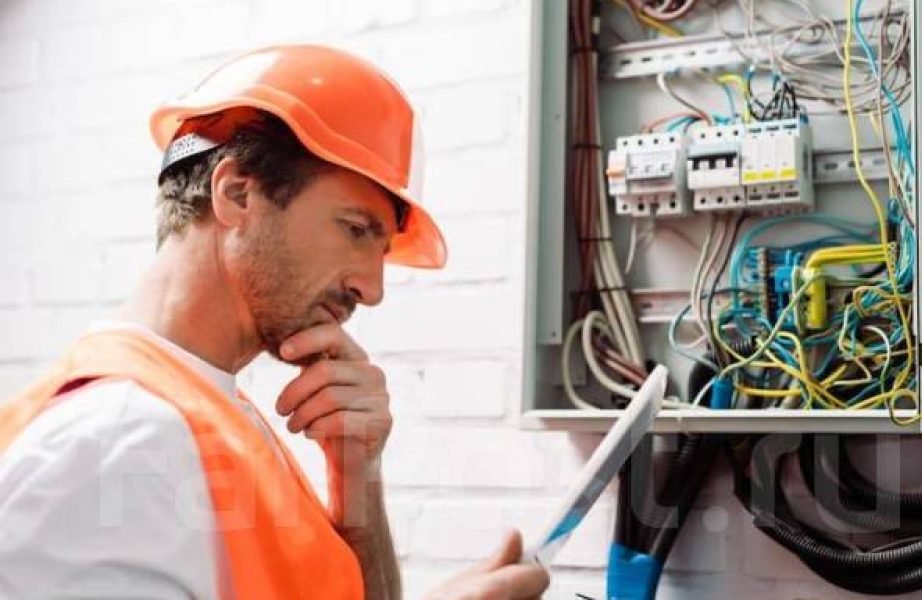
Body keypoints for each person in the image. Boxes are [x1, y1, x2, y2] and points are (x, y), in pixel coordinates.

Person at [0, 44, 549, 600]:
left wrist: (359, 483)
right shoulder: (118, 443)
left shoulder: (213, 419)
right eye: (356, 229)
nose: (372, 289)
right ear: (238, 193)